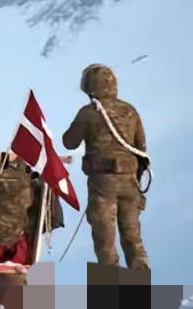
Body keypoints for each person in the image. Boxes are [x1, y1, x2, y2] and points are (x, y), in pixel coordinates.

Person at [62, 64, 150, 270]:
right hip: (130, 183)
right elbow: (142, 148)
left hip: (103, 185)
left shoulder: (89, 113)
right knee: (133, 240)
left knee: (105, 244)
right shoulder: (130, 111)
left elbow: (69, 142)